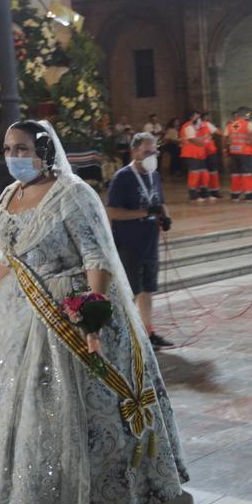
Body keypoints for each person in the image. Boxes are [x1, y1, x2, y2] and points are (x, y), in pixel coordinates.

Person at [0, 119, 188, 504]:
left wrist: (93, 314)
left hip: (69, 307)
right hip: (14, 314)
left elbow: (96, 255)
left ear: (43, 150)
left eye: (21, 149)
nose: (13, 157)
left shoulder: (73, 195)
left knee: (62, 404)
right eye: (7, 149)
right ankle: (15, 498)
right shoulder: (8, 198)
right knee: (13, 408)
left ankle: (95, 499)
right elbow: (7, 258)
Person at [107, 132, 175, 350]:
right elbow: (113, 212)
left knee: (148, 289)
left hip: (150, 242)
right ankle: (129, 335)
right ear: (134, 151)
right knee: (132, 290)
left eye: (154, 151)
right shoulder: (123, 177)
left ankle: (148, 331)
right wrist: (144, 212)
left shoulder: (153, 175)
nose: (151, 156)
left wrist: (165, 216)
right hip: (129, 243)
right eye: (146, 152)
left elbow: (160, 201)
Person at [224, 108, 252, 202]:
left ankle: (235, 195)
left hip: (234, 152)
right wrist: (250, 140)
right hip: (245, 151)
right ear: (243, 116)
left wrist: (225, 149)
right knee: (247, 173)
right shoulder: (247, 123)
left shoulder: (230, 125)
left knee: (235, 174)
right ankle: (248, 194)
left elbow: (225, 137)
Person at [182, 111, 211, 201]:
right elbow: (192, 139)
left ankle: (204, 192)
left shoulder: (196, 127)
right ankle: (193, 194)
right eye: (196, 117)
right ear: (191, 117)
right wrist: (203, 144)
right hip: (191, 154)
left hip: (199, 154)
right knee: (194, 174)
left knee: (204, 173)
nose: (199, 119)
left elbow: (201, 137)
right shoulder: (188, 127)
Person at [202, 112, 223, 198]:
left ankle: (204, 190)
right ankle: (214, 191)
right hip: (209, 151)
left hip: (200, 152)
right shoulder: (207, 124)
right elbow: (219, 132)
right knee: (213, 172)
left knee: (202, 172)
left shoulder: (193, 126)